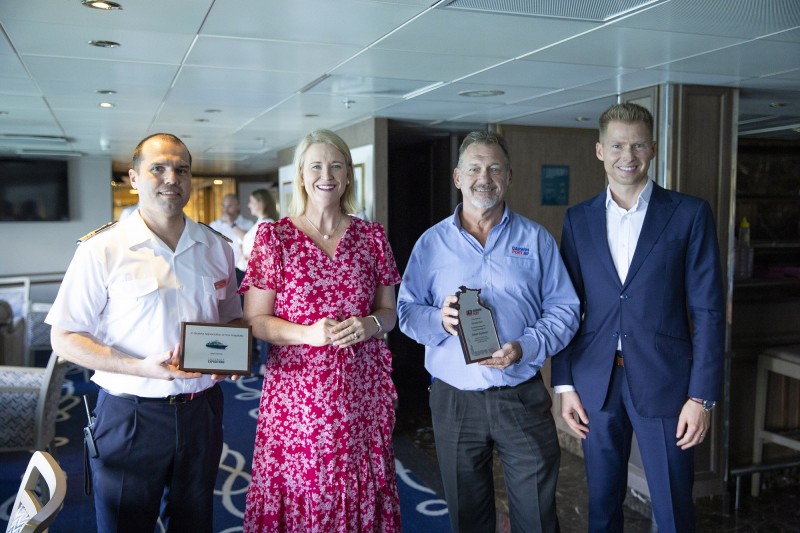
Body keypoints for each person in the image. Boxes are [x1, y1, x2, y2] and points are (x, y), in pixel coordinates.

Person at [46, 133, 243, 533]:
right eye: (159, 168)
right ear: (134, 178)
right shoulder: (101, 249)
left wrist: (232, 357)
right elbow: (64, 338)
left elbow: (233, 318)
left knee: (194, 521)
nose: (172, 177)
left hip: (202, 409)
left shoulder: (216, 246)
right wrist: (139, 367)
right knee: (124, 524)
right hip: (129, 413)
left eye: (181, 169)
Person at [552, 102, 725, 532]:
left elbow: (708, 310)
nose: (626, 155)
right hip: (596, 384)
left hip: (669, 384)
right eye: (616, 145)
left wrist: (701, 397)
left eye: (637, 145)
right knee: (601, 507)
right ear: (599, 150)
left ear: (652, 149)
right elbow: (566, 306)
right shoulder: (578, 220)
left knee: (672, 509)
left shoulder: (689, 213)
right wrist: (565, 383)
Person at [397, 131, 580, 533]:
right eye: (475, 168)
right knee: (468, 517)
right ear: (458, 177)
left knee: (537, 515)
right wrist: (438, 321)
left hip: (521, 394)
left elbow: (566, 310)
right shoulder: (431, 243)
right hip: (454, 401)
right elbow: (406, 311)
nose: (485, 177)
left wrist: (525, 346)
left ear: (509, 176)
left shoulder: (536, 240)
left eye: (495, 168)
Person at [240, 129, 402, 531]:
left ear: (348, 174)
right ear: (301, 174)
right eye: (316, 165)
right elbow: (255, 321)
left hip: (361, 393)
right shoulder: (274, 238)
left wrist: (369, 325)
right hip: (297, 399)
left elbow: (390, 312)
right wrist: (306, 334)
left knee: (358, 487)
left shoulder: (372, 237)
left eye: (335, 165)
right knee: (304, 487)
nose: (325, 174)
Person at [240, 188, 279, 374]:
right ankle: (256, 359)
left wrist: (249, 258)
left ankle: (265, 362)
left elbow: (266, 258)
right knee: (251, 320)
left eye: (252, 201)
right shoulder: (260, 223)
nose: (249, 205)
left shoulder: (268, 225)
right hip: (248, 275)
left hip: (262, 281)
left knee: (262, 319)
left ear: (260, 202)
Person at [210, 192, 254, 285]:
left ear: (238, 206)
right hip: (220, 271)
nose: (225, 209)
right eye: (223, 206)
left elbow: (252, 244)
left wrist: (231, 223)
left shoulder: (248, 224)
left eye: (229, 205)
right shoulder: (214, 226)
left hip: (243, 271)